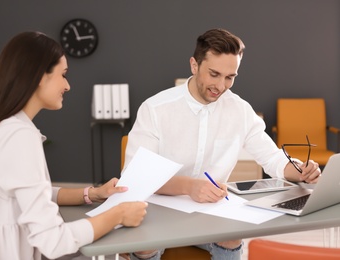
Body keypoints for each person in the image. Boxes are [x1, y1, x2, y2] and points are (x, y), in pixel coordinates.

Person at [123, 28, 322, 260]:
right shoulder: (155, 109)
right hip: (158, 211)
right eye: (214, 74)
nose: (221, 86)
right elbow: (136, 177)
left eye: (230, 77)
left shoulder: (240, 110)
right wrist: (190, 187)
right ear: (194, 65)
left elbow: (273, 158)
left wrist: (299, 171)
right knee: (144, 245)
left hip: (210, 213)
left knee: (232, 234)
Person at [0, 31, 148, 260]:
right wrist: (118, 215)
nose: (68, 86)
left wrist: (92, 194)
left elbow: (29, 192)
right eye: (63, 75)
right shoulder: (19, 136)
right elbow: (53, 242)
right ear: (39, 76)